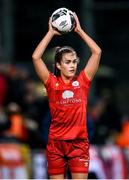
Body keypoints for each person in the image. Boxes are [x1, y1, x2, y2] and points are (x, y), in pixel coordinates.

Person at [32, 13, 101, 179]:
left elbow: (97, 52)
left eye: (74, 61)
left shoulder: (83, 81)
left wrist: (79, 30)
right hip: (56, 145)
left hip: (79, 144)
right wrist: (50, 32)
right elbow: (36, 57)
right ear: (58, 65)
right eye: (68, 62)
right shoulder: (51, 83)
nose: (72, 65)